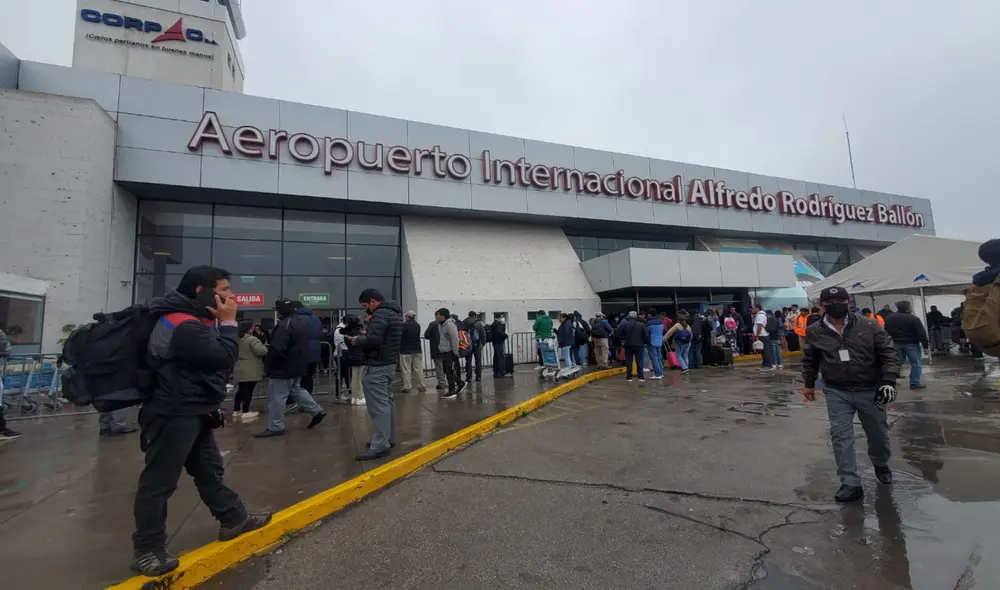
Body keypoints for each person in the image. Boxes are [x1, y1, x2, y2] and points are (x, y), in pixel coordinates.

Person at [131, 265, 271, 576]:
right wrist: (229, 323)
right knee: (159, 482)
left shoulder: (192, 320)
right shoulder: (182, 324)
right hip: (173, 412)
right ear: (201, 291)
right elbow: (222, 358)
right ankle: (147, 548)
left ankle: (233, 516)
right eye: (224, 291)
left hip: (194, 409)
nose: (230, 297)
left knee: (209, 470)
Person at [801, 286, 900, 503]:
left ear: (849, 302)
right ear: (822, 306)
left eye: (840, 300)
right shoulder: (815, 330)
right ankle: (850, 482)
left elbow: (889, 353)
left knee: (878, 436)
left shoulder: (870, 325)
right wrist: (808, 384)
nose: (835, 304)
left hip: (870, 389)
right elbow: (810, 358)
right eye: (830, 301)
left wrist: (888, 381)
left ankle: (881, 463)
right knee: (841, 436)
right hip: (837, 390)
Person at [254, 299, 327, 438]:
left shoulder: (284, 325)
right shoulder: (301, 323)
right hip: (298, 364)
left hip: (283, 367)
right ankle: (316, 410)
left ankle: (275, 427)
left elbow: (277, 348)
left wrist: (269, 365)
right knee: (296, 390)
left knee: (277, 397)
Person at [347, 289, 403, 460]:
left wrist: (357, 340)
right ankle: (388, 438)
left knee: (378, 406)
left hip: (377, 365)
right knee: (387, 402)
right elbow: (383, 337)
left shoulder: (380, 314)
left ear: (372, 301)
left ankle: (380, 444)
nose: (366, 309)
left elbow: (375, 340)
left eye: (365, 306)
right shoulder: (394, 314)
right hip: (389, 363)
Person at [884, 300, 929, 390]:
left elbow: (886, 331)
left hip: (896, 343)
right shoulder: (913, 318)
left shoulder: (889, 318)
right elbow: (921, 333)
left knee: (896, 362)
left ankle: (888, 380)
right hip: (911, 343)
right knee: (916, 363)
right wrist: (925, 346)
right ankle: (914, 383)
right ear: (907, 308)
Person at [233, 320, 266, 421]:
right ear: (249, 329)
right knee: (248, 391)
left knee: (240, 390)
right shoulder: (252, 339)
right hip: (250, 369)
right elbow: (261, 351)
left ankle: (236, 410)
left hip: (239, 368)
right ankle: (246, 411)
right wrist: (265, 347)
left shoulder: (237, 339)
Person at [294, 303, 325, 396]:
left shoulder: (296, 318)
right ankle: (308, 398)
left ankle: (300, 401)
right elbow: (321, 333)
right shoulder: (315, 318)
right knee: (308, 377)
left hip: (300, 352)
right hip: (314, 352)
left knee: (297, 379)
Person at [436, 308, 465, 398]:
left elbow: (454, 338)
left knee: (449, 370)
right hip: (444, 350)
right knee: (447, 370)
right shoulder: (440, 325)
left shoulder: (450, 325)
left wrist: (456, 351)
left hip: (450, 351)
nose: (436, 317)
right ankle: (460, 383)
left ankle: (452, 390)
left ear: (443, 316)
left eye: (438, 315)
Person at [338, 315, 366, 405]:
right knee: (361, 378)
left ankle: (354, 397)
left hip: (352, 356)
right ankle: (360, 397)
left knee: (354, 377)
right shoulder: (361, 332)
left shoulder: (346, 332)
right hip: (361, 357)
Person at [616, 311, 649, 382]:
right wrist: (644, 342)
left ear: (629, 316)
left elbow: (618, 334)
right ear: (636, 316)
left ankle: (629, 377)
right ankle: (641, 377)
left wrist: (622, 341)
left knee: (629, 361)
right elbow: (646, 336)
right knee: (639, 360)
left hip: (628, 345)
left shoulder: (624, 325)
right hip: (639, 345)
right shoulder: (642, 325)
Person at [398, 310, 426, 393]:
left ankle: (407, 386)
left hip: (405, 350)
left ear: (407, 317)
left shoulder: (404, 326)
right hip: (417, 349)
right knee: (418, 368)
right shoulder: (417, 325)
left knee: (406, 369)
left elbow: (400, 336)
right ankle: (421, 386)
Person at [463, 311, 486, 383]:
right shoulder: (479, 323)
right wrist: (482, 344)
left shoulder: (464, 322)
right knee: (478, 362)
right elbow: (483, 335)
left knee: (468, 362)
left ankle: (469, 377)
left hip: (467, 345)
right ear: (475, 316)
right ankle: (478, 377)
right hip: (477, 345)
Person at [424, 318, 447, 390]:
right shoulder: (447, 324)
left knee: (439, 366)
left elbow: (426, 335)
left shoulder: (433, 324)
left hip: (436, 348)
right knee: (447, 366)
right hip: (446, 348)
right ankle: (450, 382)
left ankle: (442, 383)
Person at [751, 304, 774, 369]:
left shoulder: (760, 315)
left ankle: (768, 365)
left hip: (763, 335)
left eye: (753, 308)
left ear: (757, 308)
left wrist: (757, 335)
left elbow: (759, 326)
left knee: (766, 351)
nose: (752, 310)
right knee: (763, 351)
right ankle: (765, 364)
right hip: (762, 335)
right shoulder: (758, 315)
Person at [644, 308, 665, 379]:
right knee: (659, 357)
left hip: (651, 342)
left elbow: (646, 334)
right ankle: (661, 373)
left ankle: (657, 374)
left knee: (654, 358)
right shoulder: (660, 321)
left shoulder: (649, 323)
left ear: (650, 314)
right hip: (659, 341)